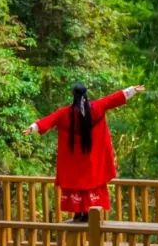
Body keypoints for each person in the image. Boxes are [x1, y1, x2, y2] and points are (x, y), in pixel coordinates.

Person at [25, 84, 145, 220]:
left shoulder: (64, 113)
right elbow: (112, 99)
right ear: (85, 94)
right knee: (92, 184)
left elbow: (49, 120)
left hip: (74, 162)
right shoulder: (97, 108)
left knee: (75, 184)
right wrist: (132, 90)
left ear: (73, 95)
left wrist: (33, 127)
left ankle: (78, 212)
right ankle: (88, 213)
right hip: (92, 162)